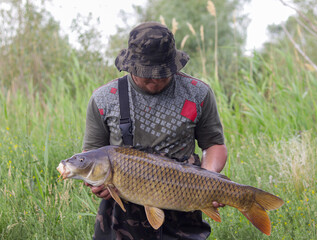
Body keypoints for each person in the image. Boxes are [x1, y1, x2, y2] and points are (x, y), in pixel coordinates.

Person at [83, 22, 227, 240]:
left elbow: (214, 145)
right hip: (123, 213)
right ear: (131, 66)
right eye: (148, 73)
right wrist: (98, 185)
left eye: (163, 73)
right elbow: (91, 157)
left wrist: (208, 180)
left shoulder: (198, 93)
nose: (156, 79)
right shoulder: (105, 99)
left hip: (184, 200)